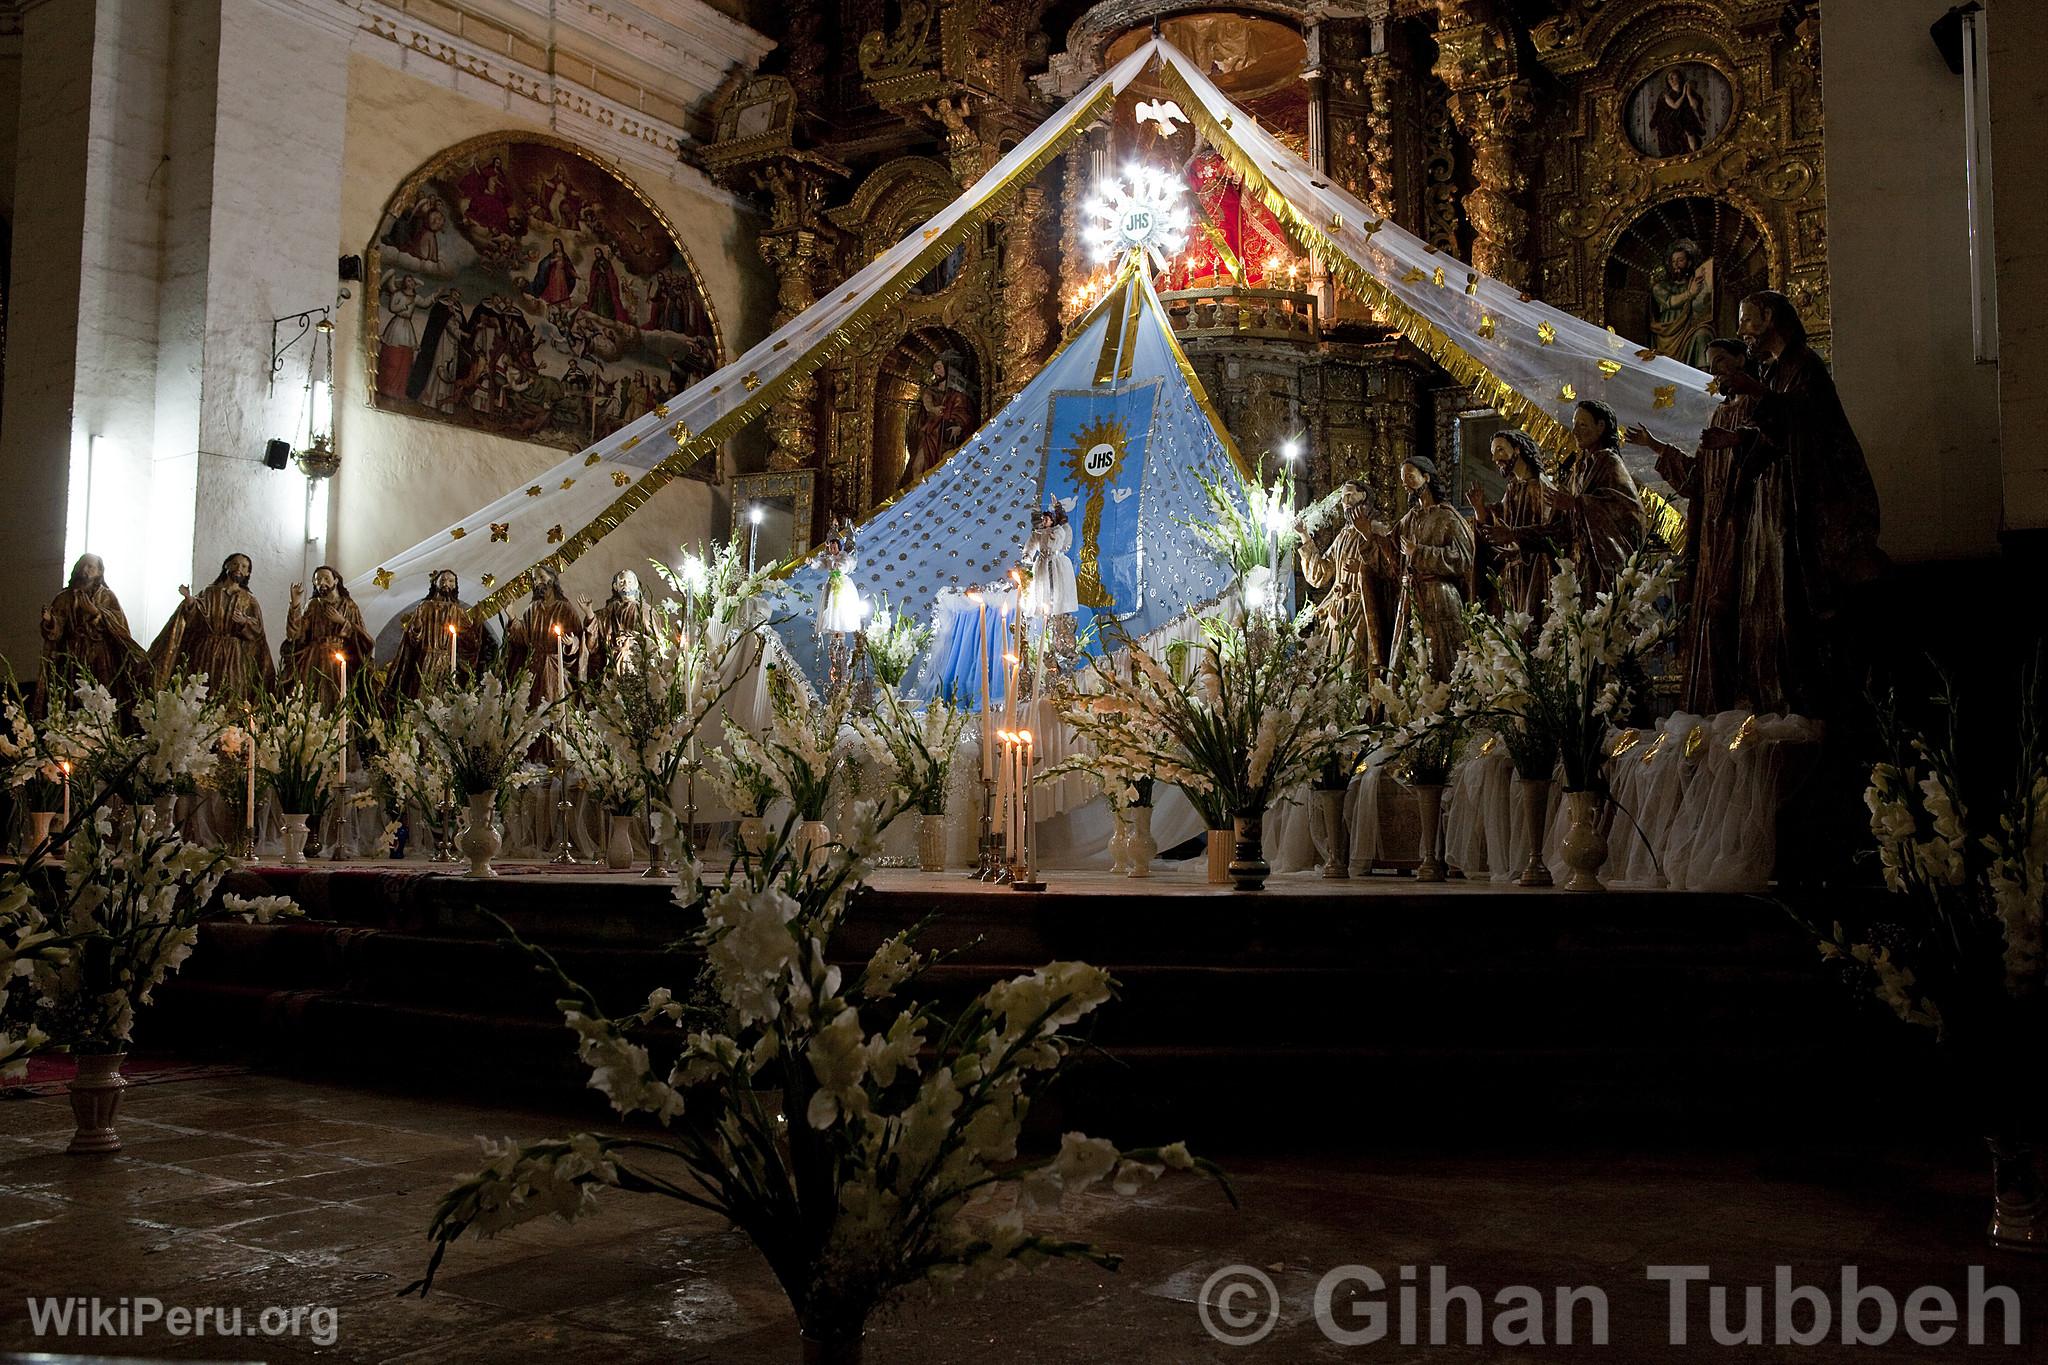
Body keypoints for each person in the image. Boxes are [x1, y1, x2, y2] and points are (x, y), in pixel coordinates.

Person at [1721, 289, 1886, 714]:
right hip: (1778, 500)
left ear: (1771, 317)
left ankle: (1819, 703)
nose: (1742, 332)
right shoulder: (1776, 373)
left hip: (1807, 502)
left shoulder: (1805, 367)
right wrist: (1737, 439)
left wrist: (1757, 393)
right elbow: (1772, 437)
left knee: (1809, 605)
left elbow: (1809, 423)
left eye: (1747, 319)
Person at [1627, 338, 1751, 714]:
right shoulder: (1720, 414)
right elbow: (1697, 478)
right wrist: (1656, 446)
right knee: (1708, 616)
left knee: (1727, 613)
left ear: (1743, 359)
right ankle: (1714, 707)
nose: (1716, 373)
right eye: (1711, 366)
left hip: (1742, 527)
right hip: (1713, 533)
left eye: (1722, 362)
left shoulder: (1757, 407)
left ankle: (1741, 704)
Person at [1382, 456, 1474, 681]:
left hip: (1439, 596)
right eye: (1403, 479)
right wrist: (1367, 534)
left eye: (1410, 477)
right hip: (1411, 597)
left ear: (1427, 477)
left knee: (1441, 657)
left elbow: (1463, 558)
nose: (1406, 484)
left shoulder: (1448, 516)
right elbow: (1391, 550)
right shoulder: (1409, 519)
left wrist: (1420, 552)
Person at [1549, 400, 1645, 602]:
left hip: (1602, 565)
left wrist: (1576, 504)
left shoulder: (1610, 463)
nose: (1575, 431)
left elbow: (1628, 512)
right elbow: (1563, 524)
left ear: (1600, 427)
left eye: (1582, 425)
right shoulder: (1579, 469)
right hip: (1581, 563)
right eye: (1574, 425)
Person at [149, 553, 275, 704]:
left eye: (244, 566)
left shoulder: (249, 600)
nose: (238, 569)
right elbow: (197, 617)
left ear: (248, 573)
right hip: (207, 652)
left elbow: (258, 630)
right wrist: (189, 600)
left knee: (231, 694)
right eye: (235, 564)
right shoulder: (209, 593)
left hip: (234, 656)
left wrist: (244, 621)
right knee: (202, 691)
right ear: (226, 566)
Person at [1297, 481, 1392, 680]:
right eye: (1342, 497)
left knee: (1356, 668)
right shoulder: (1344, 535)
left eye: (1349, 495)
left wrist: (1362, 570)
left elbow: (1391, 569)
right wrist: (1305, 536)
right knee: (1335, 671)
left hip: (1363, 610)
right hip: (1339, 611)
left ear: (1363, 496)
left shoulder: (1378, 530)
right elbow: (1321, 574)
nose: (1345, 501)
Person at [1467, 429, 1556, 624]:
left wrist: (1516, 538)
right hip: (1514, 575)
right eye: (1493, 452)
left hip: (1538, 571)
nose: (1495, 458)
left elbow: (1554, 532)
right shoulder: (1512, 489)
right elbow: (1497, 526)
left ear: (1517, 450)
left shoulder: (1542, 487)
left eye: (1500, 450)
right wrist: (1479, 509)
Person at [36, 553, 143, 713]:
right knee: (71, 697)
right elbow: (56, 631)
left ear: (99, 572)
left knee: (100, 696)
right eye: (82, 565)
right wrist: (50, 621)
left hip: (100, 657)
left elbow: (119, 626)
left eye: (90, 566)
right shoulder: (64, 598)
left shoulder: (106, 596)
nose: (84, 569)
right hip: (72, 655)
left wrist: (96, 613)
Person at [383, 569, 490, 704]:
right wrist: (416, 627)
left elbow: (469, 642)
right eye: (443, 580)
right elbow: (413, 640)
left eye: (451, 581)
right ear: (436, 583)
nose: (446, 583)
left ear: (455, 586)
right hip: (425, 660)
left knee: (443, 699)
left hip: (447, 662)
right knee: (421, 697)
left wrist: (477, 624)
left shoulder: (457, 611)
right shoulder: (424, 607)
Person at [281, 566, 376, 705]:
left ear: (336, 581)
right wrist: (295, 604)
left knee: (339, 696)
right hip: (314, 659)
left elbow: (365, 639)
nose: (322, 583)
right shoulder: (313, 605)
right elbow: (295, 634)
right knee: (310, 697)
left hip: (340, 659)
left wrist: (343, 621)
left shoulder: (349, 606)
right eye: (318, 580)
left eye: (326, 578)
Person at [504, 574, 585, 705]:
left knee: (557, 708)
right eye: (535, 579)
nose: (538, 582)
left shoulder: (566, 609)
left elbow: (579, 640)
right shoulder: (532, 609)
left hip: (556, 667)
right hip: (535, 668)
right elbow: (523, 637)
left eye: (541, 577)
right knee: (534, 709)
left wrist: (571, 643)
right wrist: (512, 616)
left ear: (552, 579)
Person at [582, 569, 651, 680]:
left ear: (635, 585)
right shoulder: (609, 611)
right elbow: (596, 636)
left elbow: (653, 640)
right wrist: (589, 613)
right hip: (612, 664)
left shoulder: (645, 611)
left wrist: (630, 640)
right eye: (622, 582)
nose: (626, 585)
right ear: (615, 586)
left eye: (629, 582)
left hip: (635, 663)